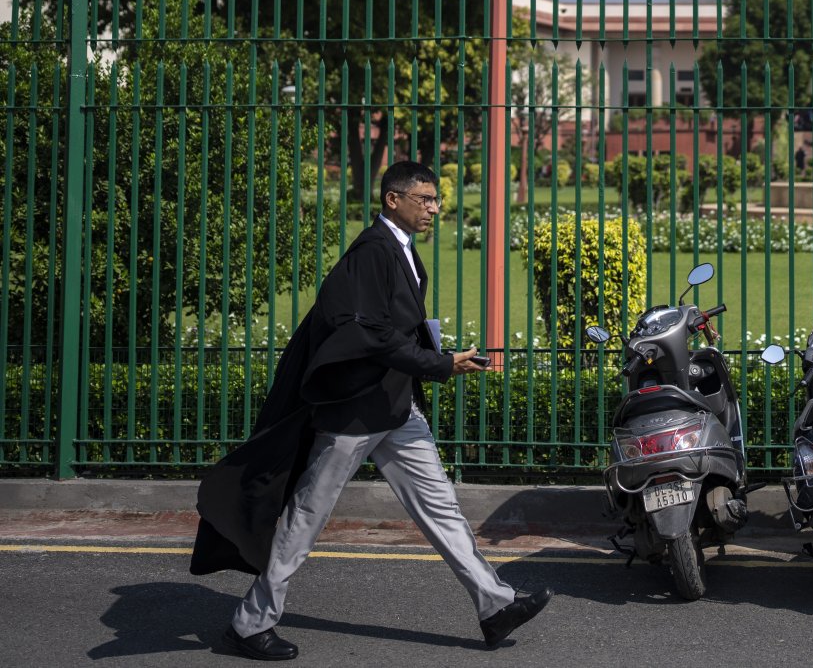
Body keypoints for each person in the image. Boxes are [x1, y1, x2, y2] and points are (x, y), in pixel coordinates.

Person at [190, 161, 550, 659]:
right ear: (392, 200)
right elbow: (367, 334)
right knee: (306, 517)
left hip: (395, 406)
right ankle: (250, 624)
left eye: (434, 199)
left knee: (441, 507)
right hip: (355, 411)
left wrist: (438, 357)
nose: (433, 208)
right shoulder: (371, 253)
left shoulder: (403, 253)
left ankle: (495, 604)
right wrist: (439, 363)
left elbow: (395, 328)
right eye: (423, 199)